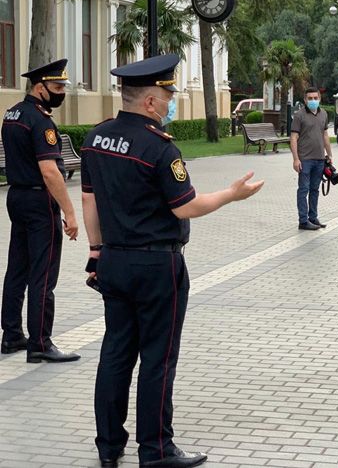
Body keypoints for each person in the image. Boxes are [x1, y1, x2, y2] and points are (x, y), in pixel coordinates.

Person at [81, 54, 264, 468]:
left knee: (114, 353)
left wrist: (96, 250)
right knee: (158, 358)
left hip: (113, 261)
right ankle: (156, 450)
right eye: (166, 96)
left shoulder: (96, 138)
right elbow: (186, 207)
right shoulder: (158, 147)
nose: (169, 103)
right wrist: (231, 195)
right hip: (156, 266)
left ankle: (108, 446)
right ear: (149, 101)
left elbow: (88, 198)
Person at [1, 59, 81, 363]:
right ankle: (40, 343)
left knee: (17, 268)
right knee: (43, 274)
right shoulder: (41, 120)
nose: (61, 92)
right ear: (40, 87)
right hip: (38, 202)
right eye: (57, 87)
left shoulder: (13, 114)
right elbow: (50, 171)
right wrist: (70, 213)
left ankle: (11, 336)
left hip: (16, 198)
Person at [290, 86, 332, 231]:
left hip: (320, 159)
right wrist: (296, 159)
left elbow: (325, 135)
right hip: (305, 160)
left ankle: (313, 218)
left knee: (315, 189)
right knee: (303, 189)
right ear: (305, 99)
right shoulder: (299, 115)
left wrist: (330, 155)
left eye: (315, 98)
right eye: (310, 98)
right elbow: (294, 138)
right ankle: (303, 220)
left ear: (319, 98)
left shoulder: (324, 114)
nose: (313, 101)